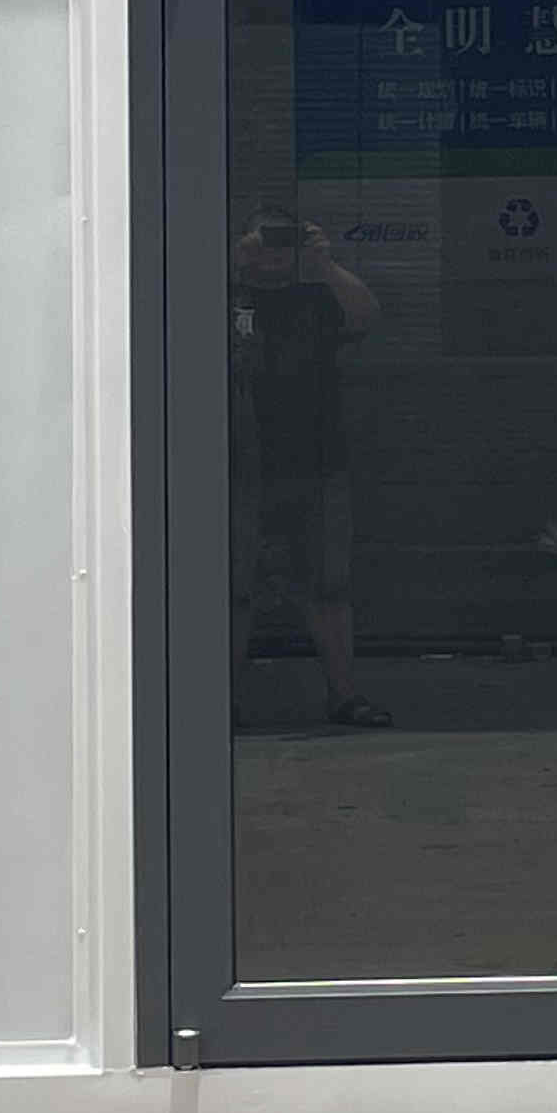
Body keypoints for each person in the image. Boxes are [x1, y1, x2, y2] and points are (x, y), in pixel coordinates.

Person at [230, 203, 389, 727]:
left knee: (329, 584)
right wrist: (235, 264)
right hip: (237, 466)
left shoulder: (317, 295)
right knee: (232, 589)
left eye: (285, 240)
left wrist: (325, 266)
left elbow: (366, 316)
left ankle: (344, 696)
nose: (275, 251)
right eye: (265, 239)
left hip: (317, 460)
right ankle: (220, 702)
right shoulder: (225, 293)